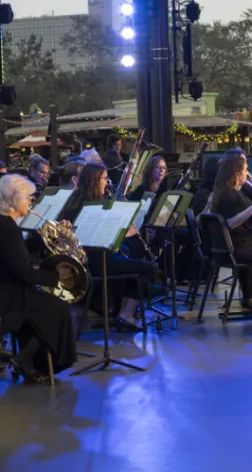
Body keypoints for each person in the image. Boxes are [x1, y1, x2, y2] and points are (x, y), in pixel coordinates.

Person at [0, 174, 77, 383]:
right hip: (9, 296)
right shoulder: (8, 229)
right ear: (15, 200)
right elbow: (24, 272)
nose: (30, 202)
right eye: (28, 198)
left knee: (48, 307)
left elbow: (18, 254)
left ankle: (26, 358)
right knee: (59, 307)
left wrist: (47, 240)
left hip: (9, 289)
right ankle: (29, 359)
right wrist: (56, 276)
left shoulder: (6, 225)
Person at [60, 163, 155, 330]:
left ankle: (114, 311)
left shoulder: (74, 201)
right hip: (97, 260)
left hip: (85, 260)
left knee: (131, 262)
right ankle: (126, 314)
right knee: (148, 269)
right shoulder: (96, 205)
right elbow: (101, 238)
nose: (107, 182)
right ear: (95, 180)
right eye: (104, 178)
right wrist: (125, 233)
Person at [211, 157, 252, 309]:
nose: (247, 174)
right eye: (245, 170)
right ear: (237, 173)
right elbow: (231, 223)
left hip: (238, 244)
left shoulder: (233, 193)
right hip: (236, 247)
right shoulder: (228, 195)